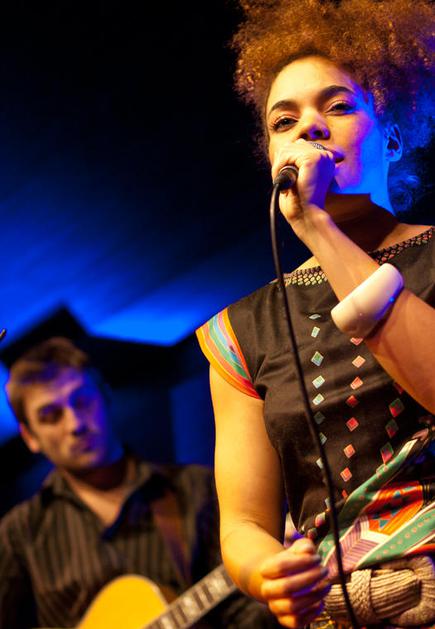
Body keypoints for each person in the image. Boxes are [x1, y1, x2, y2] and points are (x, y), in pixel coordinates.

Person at [196, 1, 435, 627]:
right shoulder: (240, 333)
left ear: (392, 135)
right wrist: (265, 572)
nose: (309, 128)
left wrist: (317, 228)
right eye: (285, 120)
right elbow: (244, 524)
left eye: (338, 106)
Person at [0, 336, 279, 629]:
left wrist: (275, 579)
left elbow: (242, 613)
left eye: (82, 401)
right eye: (50, 416)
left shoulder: (197, 488)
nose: (75, 424)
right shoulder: (20, 534)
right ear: (29, 436)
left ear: (105, 395)